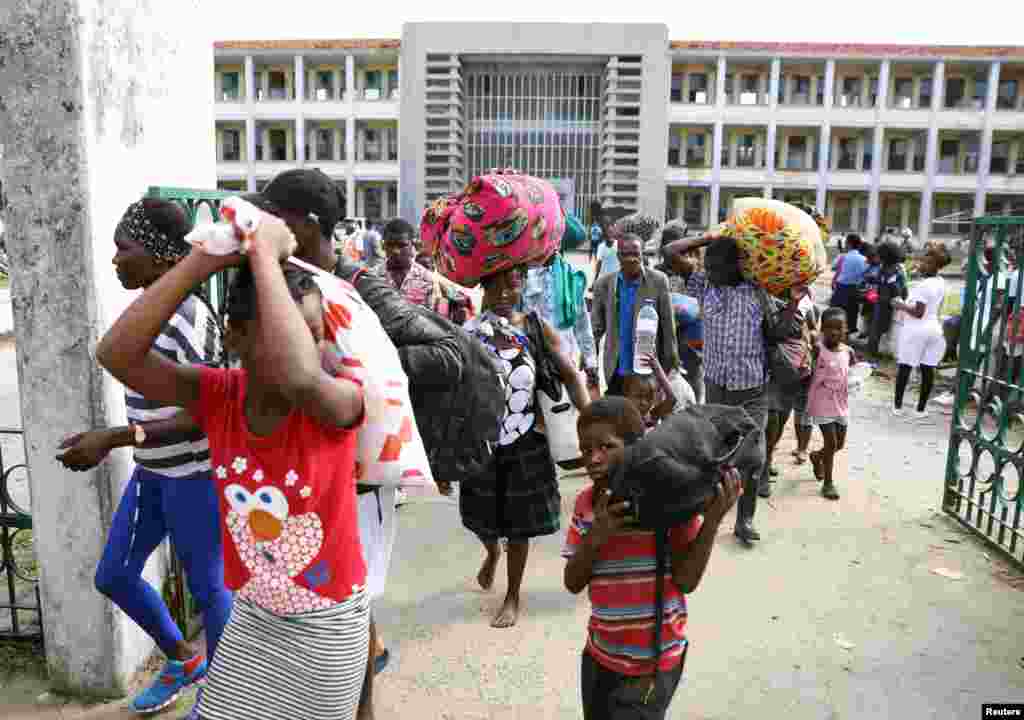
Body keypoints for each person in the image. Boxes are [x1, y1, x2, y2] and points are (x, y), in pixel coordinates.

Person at [95, 209, 369, 720]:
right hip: (255, 618)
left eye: (316, 333)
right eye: (292, 332)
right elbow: (116, 354)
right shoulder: (219, 396)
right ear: (236, 338)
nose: (311, 348)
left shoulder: (339, 401)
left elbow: (300, 374)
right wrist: (200, 263)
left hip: (327, 628)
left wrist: (262, 252)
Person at [253, 168, 499, 719]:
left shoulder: (360, 283)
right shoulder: (280, 275)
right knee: (329, 608)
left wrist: (355, 373)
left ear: (306, 224)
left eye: (275, 213)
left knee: (349, 606)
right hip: (308, 471)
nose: (264, 223)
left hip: (359, 479)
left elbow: (447, 358)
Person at [56, 199, 231, 718]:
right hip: (154, 475)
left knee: (209, 590)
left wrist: (114, 437)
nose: (114, 260)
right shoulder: (150, 310)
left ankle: (222, 701)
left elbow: (210, 412)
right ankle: (182, 659)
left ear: (157, 256)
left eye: (122, 248)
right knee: (113, 575)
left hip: (195, 477)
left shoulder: (191, 319)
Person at [565, 397, 742, 720]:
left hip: (653, 665)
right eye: (586, 449)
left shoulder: (670, 499)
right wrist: (598, 534)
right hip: (599, 656)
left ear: (636, 448)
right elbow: (572, 582)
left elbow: (686, 581)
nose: (593, 459)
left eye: (606, 446)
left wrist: (712, 521)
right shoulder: (587, 505)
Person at [461, 265, 590, 628]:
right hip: (483, 442)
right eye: (496, 287)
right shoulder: (468, 332)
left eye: (511, 286)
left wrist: (595, 418)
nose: (504, 295)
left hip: (525, 439)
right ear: (483, 287)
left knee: (518, 526)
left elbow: (569, 374)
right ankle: (490, 552)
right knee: (481, 519)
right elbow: (455, 392)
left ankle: (512, 595)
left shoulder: (534, 327)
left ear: (521, 287)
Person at [660, 232, 802, 546]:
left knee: (753, 456)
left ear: (735, 265)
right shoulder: (705, 286)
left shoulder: (757, 291)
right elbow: (670, 251)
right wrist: (708, 238)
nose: (709, 271)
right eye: (707, 266)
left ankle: (745, 519)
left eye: (715, 266)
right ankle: (706, 513)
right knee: (713, 454)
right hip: (716, 388)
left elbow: (778, 332)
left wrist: (792, 301)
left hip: (751, 390)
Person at [591, 234, 679, 397]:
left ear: (642, 254)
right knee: (616, 418)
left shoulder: (658, 281)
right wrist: (590, 364)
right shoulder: (604, 284)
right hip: (616, 369)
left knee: (644, 419)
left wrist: (667, 371)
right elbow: (595, 330)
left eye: (635, 254)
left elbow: (668, 329)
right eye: (625, 254)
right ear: (618, 256)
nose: (631, 259)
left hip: (647, 369)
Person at [522, 250, 601, 399]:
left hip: (565, 361)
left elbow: (582, 323)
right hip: (531, 360)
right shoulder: (523, 275)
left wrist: (590, 361)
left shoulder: (570, 276)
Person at [892, 245, 952, 419]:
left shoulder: (924, 286)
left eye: (926, 262)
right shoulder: (940, 282)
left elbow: (918, 313)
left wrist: (900, 304)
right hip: (934, 329)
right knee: (928, 369)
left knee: (905, 366)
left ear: (935, 265)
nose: (922, 264)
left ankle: (897, 407)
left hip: (916, 330)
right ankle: (920, 409)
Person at [381, 217, 472, 325]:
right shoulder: (372, 278)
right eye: (390, 245)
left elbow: (436, 319)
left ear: (412, 245)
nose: (395, 251)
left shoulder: (427, 278)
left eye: (402, 245)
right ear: (383, 246)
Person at [807, 308, 857, 500]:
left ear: (846, 329)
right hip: (821, 402)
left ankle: (817, 456)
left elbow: (852, 373)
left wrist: (857, 378)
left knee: (839, 444)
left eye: (839, 328)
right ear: (822, 329)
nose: (834, 332)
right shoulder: (818, 349)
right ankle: (828, 483)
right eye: (829, 328)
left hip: (841, 402)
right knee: (831, 442)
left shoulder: (848, 351)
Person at [621, 353, 693, 431]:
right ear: (626, 394)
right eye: (638, 396)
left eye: (649, 398)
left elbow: (672, 399)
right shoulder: (620, 415)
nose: (643, 402)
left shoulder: (652, 416)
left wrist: (657, 369)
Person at [830, 233, 868, 334]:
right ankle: (848, 336)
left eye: (846, 243)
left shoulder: (843, 257)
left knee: (836, 314)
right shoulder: (864, 259)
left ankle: (836, 336)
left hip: (841, 289)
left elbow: (833, 267)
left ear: (849, 244)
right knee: (851, 314)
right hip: (855, 290)